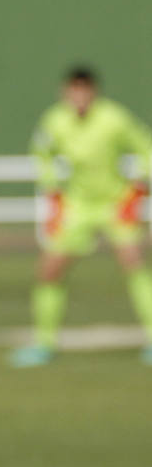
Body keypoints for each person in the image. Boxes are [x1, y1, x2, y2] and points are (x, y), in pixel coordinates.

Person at [12, 66, 152, 367]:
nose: (80, 96)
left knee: (134, 262)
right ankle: (44, 343)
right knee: (50, 269)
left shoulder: (114, 118)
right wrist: (54, 193)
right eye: (74, 89)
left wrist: (138, 190)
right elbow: (41, 154)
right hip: (77, 204)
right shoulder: (55, 121)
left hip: (115, 202)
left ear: (94, 91)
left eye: (85, 89)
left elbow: (146, 149)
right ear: (65, 92)